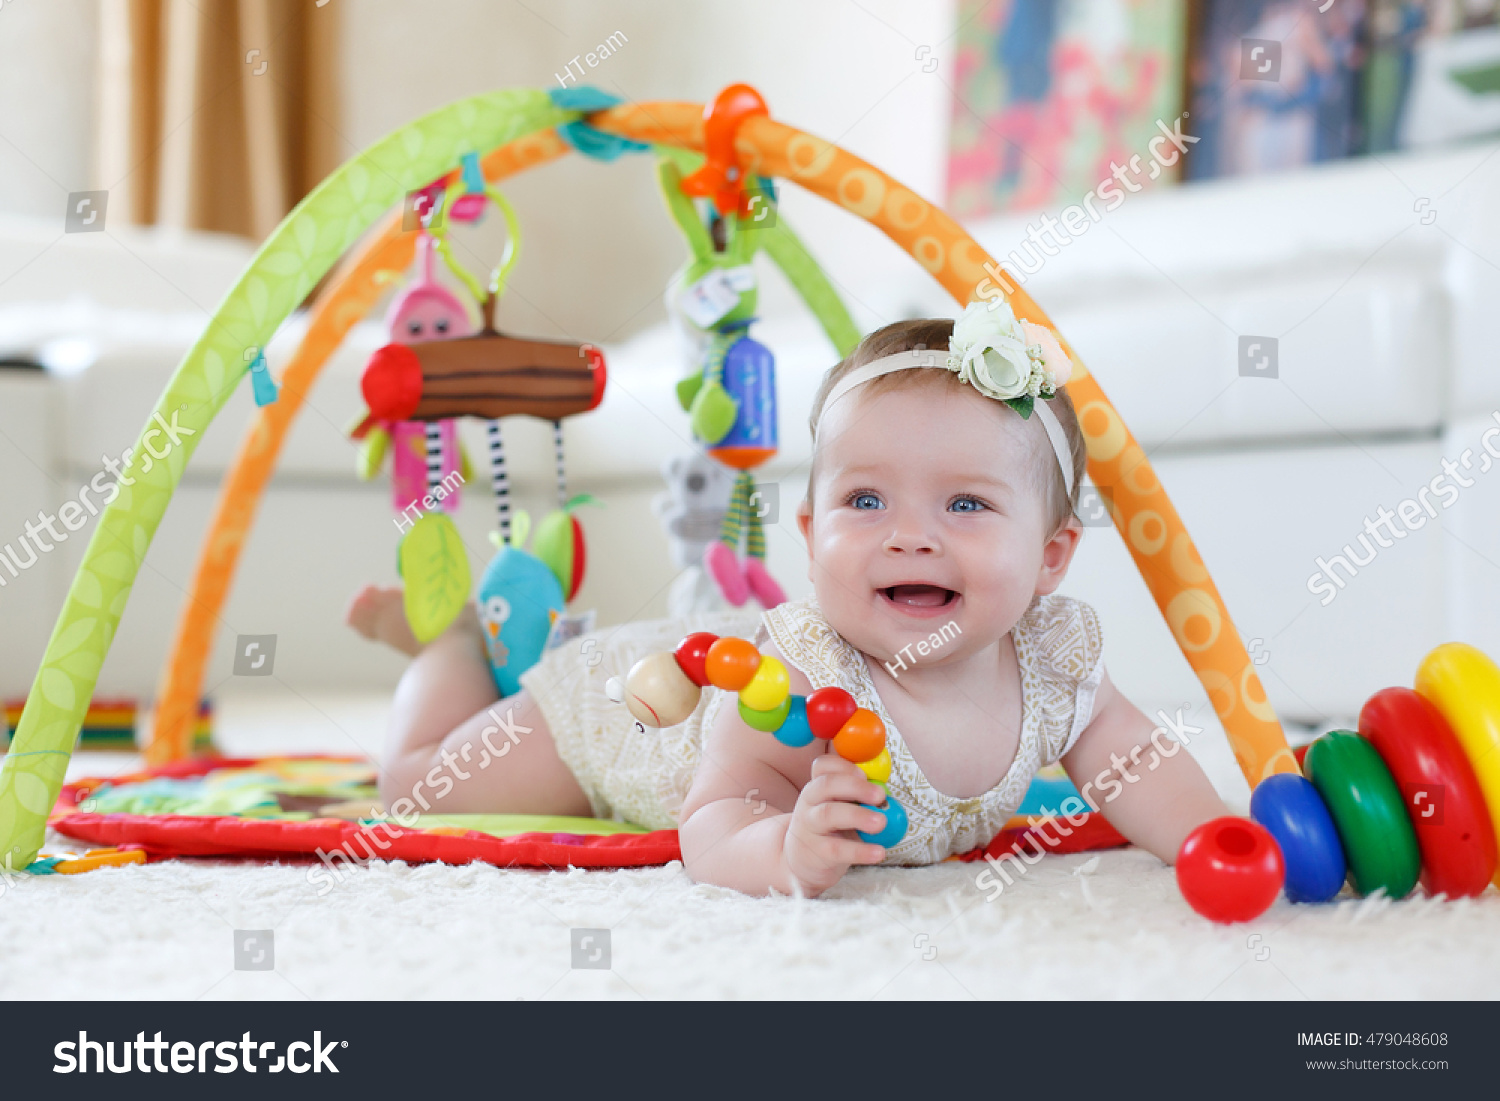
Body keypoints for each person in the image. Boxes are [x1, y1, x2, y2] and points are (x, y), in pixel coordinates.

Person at [348, 301, 1229, 897]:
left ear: (1051, 555)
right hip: (623, 710)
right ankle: (459, 641)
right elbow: (713, 820)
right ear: (809, 535)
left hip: (696, 651)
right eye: (866, 501)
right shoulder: (794, 678)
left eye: (965, 504)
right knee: (419, 781)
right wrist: (783, 848)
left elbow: (1136, 761)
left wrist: (1216, 839)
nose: (909, 536)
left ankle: (499, 642)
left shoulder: (1053, 661)